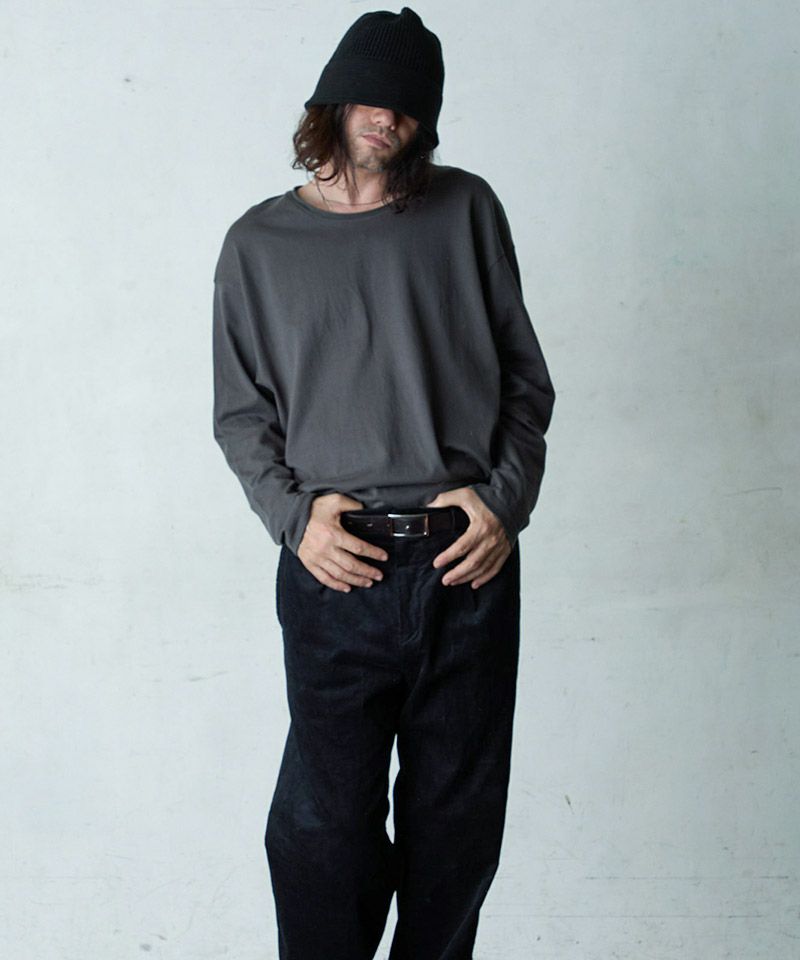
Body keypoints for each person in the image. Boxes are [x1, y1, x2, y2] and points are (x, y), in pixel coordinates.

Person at [211, 7, 555, 958]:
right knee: (322, 828)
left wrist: (504, 501)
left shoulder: (466, 209)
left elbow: (526, 383)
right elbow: (241, 416)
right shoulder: (258, 243)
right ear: (332, 100)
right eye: (372, 96)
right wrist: (295, 520)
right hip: (337, 563)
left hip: (465, 561)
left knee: (458, 821)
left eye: (410, 106)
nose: (388, 118)